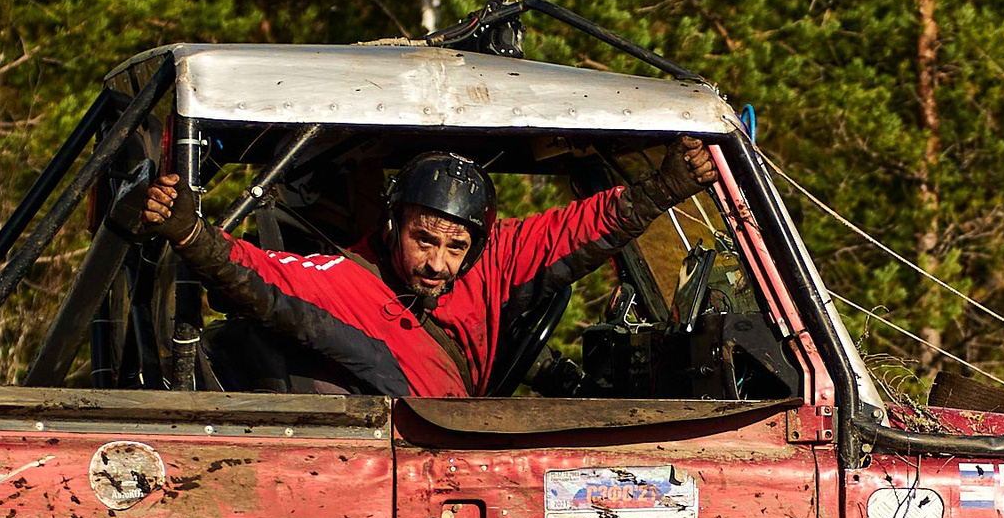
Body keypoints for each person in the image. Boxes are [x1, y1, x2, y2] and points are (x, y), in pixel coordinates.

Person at [122, 138, 718, 397]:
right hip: (410, 474)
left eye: (454, 247)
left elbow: (576, 229)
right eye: (422, 239)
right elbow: (261, 276)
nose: (436, 263)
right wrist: (190, 232)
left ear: (476, 242)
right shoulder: (351, 281)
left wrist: (664, 187)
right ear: (393, 225)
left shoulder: (495, 261)